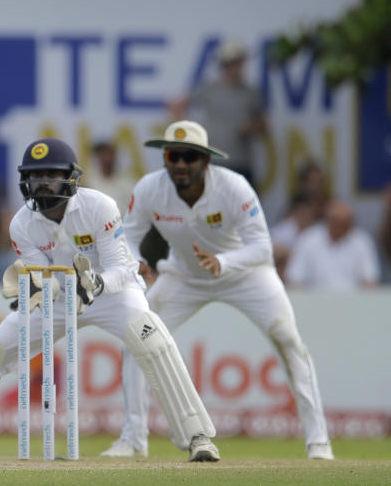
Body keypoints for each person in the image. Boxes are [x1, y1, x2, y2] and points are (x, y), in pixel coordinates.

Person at [0, 138, 219, 462]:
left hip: (113, 293)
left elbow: (120, 267)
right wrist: (32, 290)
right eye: (35, 176)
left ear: (71, 177)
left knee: (153, 339)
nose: (42, 183)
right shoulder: (22, 224)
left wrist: (96, 283)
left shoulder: (99, 206)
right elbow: (42, 277)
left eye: (51, 175)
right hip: (57, 298)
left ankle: (197, 436)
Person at [114, 120, 333, 460]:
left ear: (205, 161)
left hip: (246, 274)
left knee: (288, 340)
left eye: (190, 157)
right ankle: (134, 438)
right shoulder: (148, 189)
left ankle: (319, 442)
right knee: (138, 339)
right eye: (174, 155)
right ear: (165, 158)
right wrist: (138, 262)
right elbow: (126, 236)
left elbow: (262, 247)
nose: (181, 164)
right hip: (184, 276)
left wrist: (224, 262)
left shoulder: (234, 187)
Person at [169, 40, 266, 184]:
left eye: (239, 63)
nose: (238, 67)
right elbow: (177, 105)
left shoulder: (250, 93)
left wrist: (251, 128)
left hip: (241, 163)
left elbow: (264, 126)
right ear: (225, 65)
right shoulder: (210, 89)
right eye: (233, 63)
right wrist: (188, 134)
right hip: (213, 163)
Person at [284, 199, 380, 291]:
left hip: (354, 304)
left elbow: (370, 281)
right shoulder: (307, 240)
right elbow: (294, 280)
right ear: (328, 221)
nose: (343, 228)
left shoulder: (362, 241)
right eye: (339, 223)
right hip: (315, 303)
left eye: (347, 224)